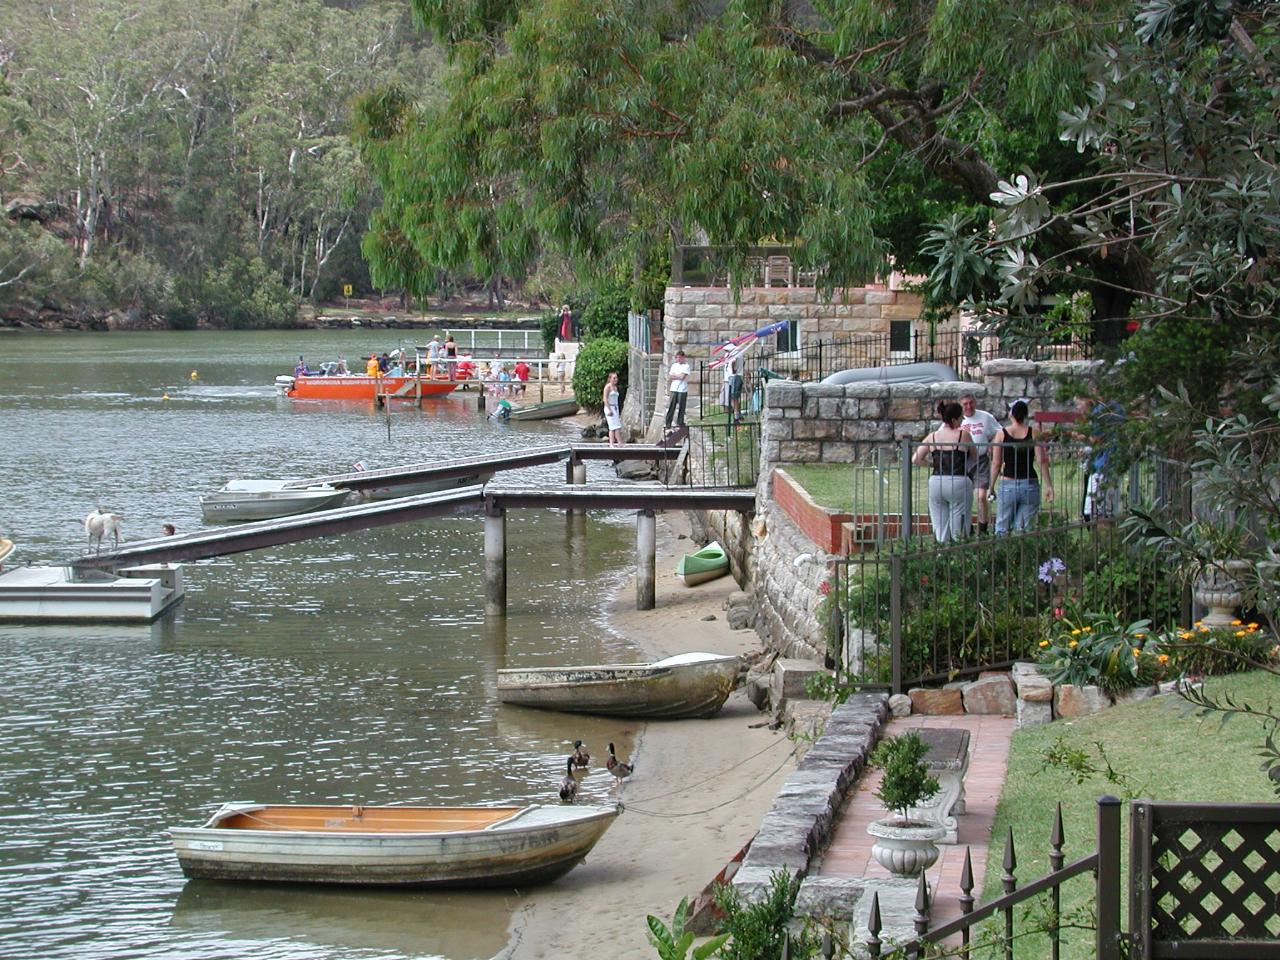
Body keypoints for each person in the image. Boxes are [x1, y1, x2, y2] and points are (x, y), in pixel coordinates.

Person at [912, 400, 976, 542]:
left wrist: (930, 464)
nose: (961, 422)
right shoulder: (963, 435)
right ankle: (958, 553)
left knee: (940, 525)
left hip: (936, 481)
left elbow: (915, 459)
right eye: (960, 418)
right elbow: (974, 455)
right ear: (954, 419)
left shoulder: (933, 436)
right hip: (958, 479)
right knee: (959, 524)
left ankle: (942, 554)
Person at [988, 400, 1055, 534]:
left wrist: (991, 486)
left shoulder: (1002, 434)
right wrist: (1049, 485)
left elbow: (996, 463)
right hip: (1029, 482)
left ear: (1011, 414)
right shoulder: (1034, 433)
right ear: (1025, 415)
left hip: (1008, 483)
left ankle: (1002, 553)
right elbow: (1041, 460)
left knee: (1002, 527)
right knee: (1025, 529)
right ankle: (1022, 554)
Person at [959, 393, 1001, 533]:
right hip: (962, 460)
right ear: (961, 405)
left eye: (971, 403)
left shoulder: (986, 417)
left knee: (981, 496)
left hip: (981, 460)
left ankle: (983, 530)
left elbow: (999, 433)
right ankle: (967, 529)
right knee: (963, 497)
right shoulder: (957, 419)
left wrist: (992, 443)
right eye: (965, 404)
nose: (969, 406)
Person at [663, 348, 691, 431]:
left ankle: (680, 422)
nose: (678, 359)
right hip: (674, 388)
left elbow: (682, 377)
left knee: (681, 407)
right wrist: (677, 376)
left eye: (680, 357)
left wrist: (676, 376)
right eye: (677, 357)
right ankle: (668, 423)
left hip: (682, 389)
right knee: (671, 406)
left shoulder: (686, 366)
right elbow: (670, 376)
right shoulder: (674, 366)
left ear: (683, 357)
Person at [602, 371, 624, 446]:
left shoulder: (615, 387)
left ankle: (619, 442)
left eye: (616, 378)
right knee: (612, 426)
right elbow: (605, 399)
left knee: (617, 425)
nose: (616, 379)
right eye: (614, 378)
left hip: (615, 407)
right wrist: (609, 409)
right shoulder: (608, 387)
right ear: (610, 379)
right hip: (609, 407)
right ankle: (611, 443)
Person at [725, 350, 744, 423]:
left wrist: (733, 370)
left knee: (734, 397)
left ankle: (736, 417)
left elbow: (733, 361)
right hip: (739, 376)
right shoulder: (740, 352)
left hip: (734, 376)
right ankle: (739, 414)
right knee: (737, 397)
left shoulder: (734, 352)